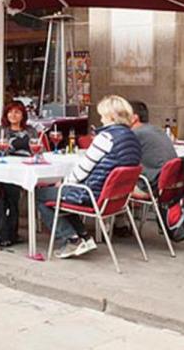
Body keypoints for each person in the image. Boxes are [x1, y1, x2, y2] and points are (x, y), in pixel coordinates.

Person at [37, 95, 142, 259]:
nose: (100, 119)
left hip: (92, 194)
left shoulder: (106, 138)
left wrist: (63, 183)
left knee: (41, 195)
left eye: (102, 115)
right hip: (114, 198)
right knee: (63, 196)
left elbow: (83, 169)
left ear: (111, 116)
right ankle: (84, 236)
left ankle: (70, 239)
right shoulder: (133, 138)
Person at [129, 100, 176, 189]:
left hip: (152, 185)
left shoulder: (135, 134)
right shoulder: (155, 129)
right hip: (171, 182)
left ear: (134, 118)